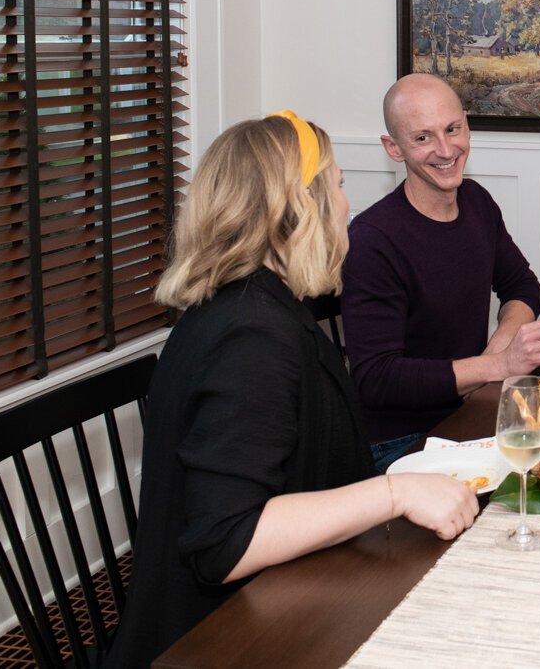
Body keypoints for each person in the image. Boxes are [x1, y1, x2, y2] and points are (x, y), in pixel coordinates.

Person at [110, 113, 478, 667]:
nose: (346, 204)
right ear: (300, 208)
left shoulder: (253, 304)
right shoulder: (250, 337)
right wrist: (395, 493)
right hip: (223, 638)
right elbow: (225, 542)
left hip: (288, 591)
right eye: (338, 186)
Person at [342, 74, 540, 472]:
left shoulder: (477, 202)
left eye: (453, 129)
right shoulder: (372, 240)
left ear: (467, 123)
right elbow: (376, 377)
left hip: (470, 415)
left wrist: (496, 354)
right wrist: (497, 366)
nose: (446, 150)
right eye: (422, 138)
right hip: (401, 443)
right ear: (393, 148)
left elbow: (521, 286)